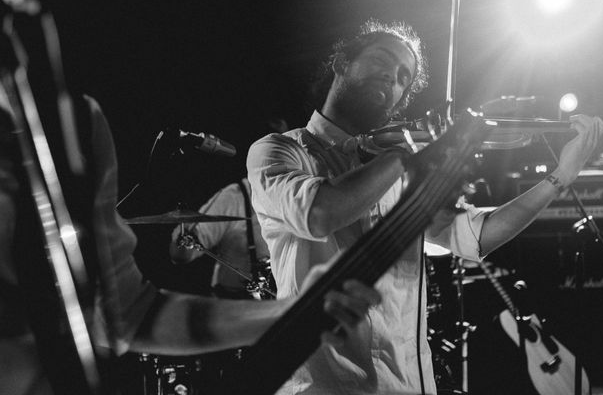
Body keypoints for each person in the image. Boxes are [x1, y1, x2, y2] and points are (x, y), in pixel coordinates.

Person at [246, 19, 603, 394]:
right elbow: (319, 214)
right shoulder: (281, 150)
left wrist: (560, 177)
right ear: (341, 63)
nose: (393, 78)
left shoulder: (399, 169)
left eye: (404, 77)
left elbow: (474, 238)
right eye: (383, 61)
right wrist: (409, 154)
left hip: (408, 384)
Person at [0, 86, 381, 395]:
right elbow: (181, 253)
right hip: (228, 301)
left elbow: (131, 313)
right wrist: (186, 238)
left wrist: (296, 311)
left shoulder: (70, 123)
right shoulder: (236, 194)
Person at [169, 118, 288, 300]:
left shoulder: (300, 192)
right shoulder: (234, 198)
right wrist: (186, 235)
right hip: (237, 306)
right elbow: (180, 255)